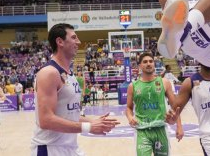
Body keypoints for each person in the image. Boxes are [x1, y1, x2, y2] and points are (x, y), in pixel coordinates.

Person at [31, 23, 119, 156]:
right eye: (74, 38)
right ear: (60, 42)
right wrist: (89, 127)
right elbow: (46, 120)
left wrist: (92, 120)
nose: (78, 42)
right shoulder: (49, 73)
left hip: (70, 147)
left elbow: (68, 115)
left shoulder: (69, 74)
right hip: (50, 148)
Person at [126, 52, 183, 156]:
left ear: (154, 64)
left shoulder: (164, 82)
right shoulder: (132, 86)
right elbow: (129, 108)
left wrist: (179, 126)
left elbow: (175, 106)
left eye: (151, 61)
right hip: (142, 131)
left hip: (160, 128)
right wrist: (130, 117)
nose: (148, 63)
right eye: (145, 62)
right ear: (140, 66)